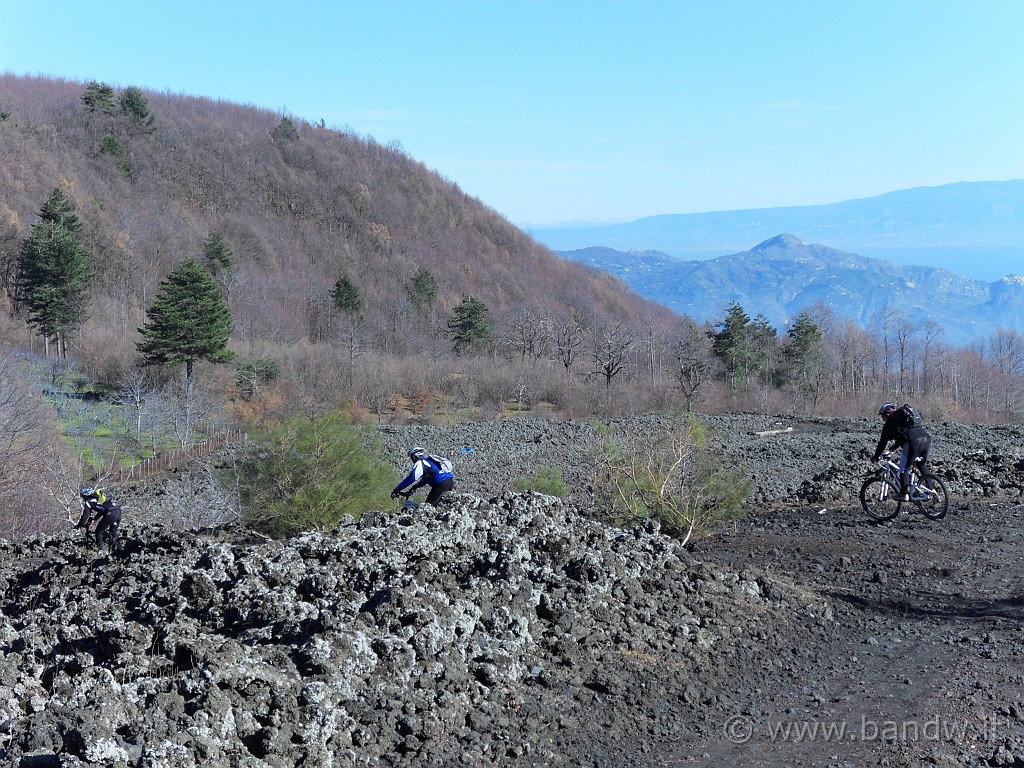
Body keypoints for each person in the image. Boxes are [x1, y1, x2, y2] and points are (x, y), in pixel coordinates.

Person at [871, 403, 932, 501]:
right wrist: (893, 448)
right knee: (922, 465)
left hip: (913, 442)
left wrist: (876, 456)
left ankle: (904, 494)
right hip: (926, 439)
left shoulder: (889, 425)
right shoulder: (903, 422)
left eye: (882, 416)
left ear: (887, 414)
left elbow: (882, 443)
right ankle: (932, 490)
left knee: (904, 469)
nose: (883, 419)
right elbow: (902, 437)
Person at [76, 486, 122, 552]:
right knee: (113, 531)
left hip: (110, 514)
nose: (83, 499)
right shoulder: (99, 498)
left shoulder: (88, 502)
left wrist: (79, 524)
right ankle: (119, 549)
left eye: (83, 497)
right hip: (118, 511)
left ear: (85, 496)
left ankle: (101, 552)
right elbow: (102, 510)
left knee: (98, 532)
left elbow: (85, 515)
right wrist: (95, 519)